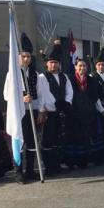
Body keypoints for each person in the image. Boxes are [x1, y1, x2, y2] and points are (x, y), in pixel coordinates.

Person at [3, 33, 47, 183]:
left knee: (32, 141)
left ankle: (30, 171)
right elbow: (6, 95)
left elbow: (41, 94)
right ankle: (18, 172)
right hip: (19, 112)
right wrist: (21, 98)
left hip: (32, 112)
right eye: (23, 56)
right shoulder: (12, 74)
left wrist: (41, 110)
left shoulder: (36, 74)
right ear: (18, 57)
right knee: (19, 142)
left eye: (28, 56)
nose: (26, 59)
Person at [39, 41, 73, 176]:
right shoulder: (42, 77)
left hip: (61, 111)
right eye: (51, 62)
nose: (54, 65)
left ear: (59, 64)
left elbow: (69, 91)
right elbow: (44, 94)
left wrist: (66, 103)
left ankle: (57, 164)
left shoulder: (64, 76)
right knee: (48, 140)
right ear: (47, 64)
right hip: (49, 112)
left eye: (56, 62)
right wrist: (55, 104)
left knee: (59, 139)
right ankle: (49, 167)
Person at [65, 59, 104, 168]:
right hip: (75, 112)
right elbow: (68, 95)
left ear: (87, 68)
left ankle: (87, 160)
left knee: (90, 136)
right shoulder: (70, 79)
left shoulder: (91, 80)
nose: (82, 68)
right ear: (75, 67)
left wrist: (102, 110)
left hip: (89, 112)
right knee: (75, 137)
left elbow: (95, 97)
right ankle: (74, 161)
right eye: (80, 66)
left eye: (84, 66)